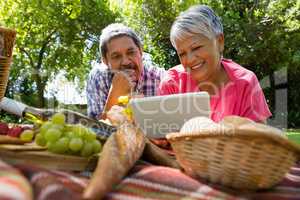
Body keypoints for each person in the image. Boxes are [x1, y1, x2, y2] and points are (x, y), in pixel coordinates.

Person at [158, 5, 271, 123]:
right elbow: (162, 133)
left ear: (220, 42)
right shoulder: (172, 82)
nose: (190, 60)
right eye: (182, 54)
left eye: (196, 48)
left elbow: (258, 138)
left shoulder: (245, 83)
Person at [86, 23, 166, 120]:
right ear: (105, 61)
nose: (125, 62)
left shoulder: (160, 78)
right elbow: (95, 131)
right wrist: (115, 95)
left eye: (131, 52)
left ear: (140, 51)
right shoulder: (98, 78)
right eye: (116, 56)